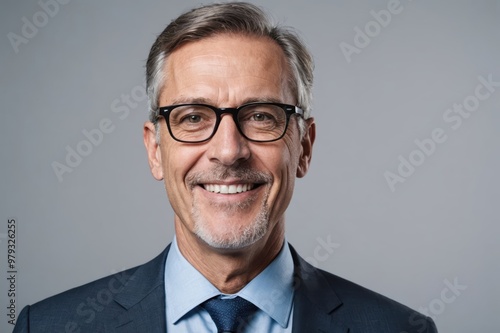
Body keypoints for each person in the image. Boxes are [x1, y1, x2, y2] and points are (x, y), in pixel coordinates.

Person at [13, 2, 438, 332]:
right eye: (193, 117)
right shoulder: (48, 327)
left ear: (304, 147)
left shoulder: (399, 329)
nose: (229, 151)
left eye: (261, 116)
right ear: (155, 150)